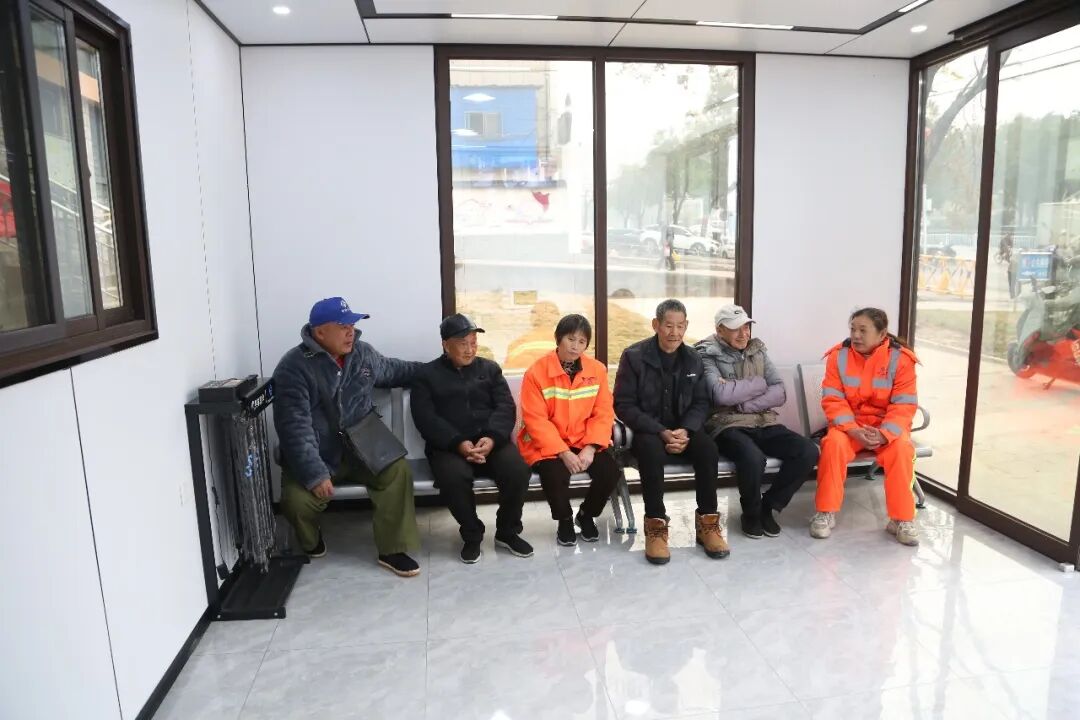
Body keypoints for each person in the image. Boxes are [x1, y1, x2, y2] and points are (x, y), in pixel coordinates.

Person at [273, 297, 423, 577]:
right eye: (343, 326)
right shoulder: (293, 367)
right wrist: (315, 474)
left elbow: (395, 370)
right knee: (296, 503)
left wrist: (438, 369)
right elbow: (294, 428)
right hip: (318, 454)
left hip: (363, 447)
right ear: (320, 332)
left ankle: (392, 549)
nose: (350, 332)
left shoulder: (362, 354)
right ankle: (311, 539)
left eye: (352, 325)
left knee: (397, 470)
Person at [410, 313, 534, 564]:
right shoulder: (426, 375)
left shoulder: (490, 369)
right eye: (463, 344)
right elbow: (425, 418)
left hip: (491, 442)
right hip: (449, 447)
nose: (470, 349)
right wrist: (458, 442)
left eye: (474, 343)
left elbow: (505, 407)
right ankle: (472, 534)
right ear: (446, 345)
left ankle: (507, 531)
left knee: (518, 470)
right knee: (453, 478)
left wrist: (492, 438)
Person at [614, 299, 727, 565]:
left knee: (708, 449)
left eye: (680, 326)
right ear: (656, 325)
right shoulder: (634, 356)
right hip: (648, 430)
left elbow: (702, 402)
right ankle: (655, 526)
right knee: (651, 452)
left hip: (684, 428)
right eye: (668, 325)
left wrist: (686, 430)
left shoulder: (693, 358)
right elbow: (623, 404)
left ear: (686, 326)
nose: (674, 332)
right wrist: (661, 431)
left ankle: (708, 523)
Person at [695, 304, 818, 539]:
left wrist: (743, 403)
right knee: (753, 458)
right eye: (735, 329)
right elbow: (720, 396)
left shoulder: (757, 350)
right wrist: (760, 384)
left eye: (746, 327)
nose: (744, 334)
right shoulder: (706, 354)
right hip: (726, 423)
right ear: (720, 330)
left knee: (807, 451)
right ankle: (751, 513)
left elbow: (779, 392)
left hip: (763, 420)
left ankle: (768, 506)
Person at [811, 307, 921, 546]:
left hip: (886, 429)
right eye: (853, 329)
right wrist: (852, 429)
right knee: (833, 444)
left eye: (863, 330)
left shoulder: (902, 359)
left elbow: (904, 404)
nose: (856, 335)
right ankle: (825, 512)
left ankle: (901, 519)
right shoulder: (838, 356)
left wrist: (884, 434)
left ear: (882, 334)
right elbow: (833, 399)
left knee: (902, 449)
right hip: (850, 427)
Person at [518, 314, 619, 546]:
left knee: (610, 472)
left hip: (584, 439)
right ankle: (564, 520)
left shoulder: (597, 370)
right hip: (547, 443)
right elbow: (536, 420)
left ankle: (586, 515)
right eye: (570, 339)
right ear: (558, 338)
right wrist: (563, 452)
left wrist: (590, 448)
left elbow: (603, 412)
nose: (575, 346)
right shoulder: (536, 372)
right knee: (555, 474)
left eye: (582, 341)